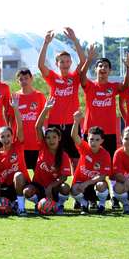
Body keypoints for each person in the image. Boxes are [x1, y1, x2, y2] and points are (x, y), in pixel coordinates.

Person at [37, 28, 87, 166]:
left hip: (72, 124)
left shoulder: (74, 77)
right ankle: (57, 185)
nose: (65, 64)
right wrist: (46, 43)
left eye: (67, 61)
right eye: (62, 62)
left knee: (75, 158)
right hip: (54, 124)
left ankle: (75, 186)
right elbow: (41, 65)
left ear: (71, 63)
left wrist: (75, 40)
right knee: (55, 157)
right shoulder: (53, 78)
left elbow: (83, 60)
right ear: (57, 63)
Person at [80, 46, 129, 157]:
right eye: (100, 66)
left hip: (109, 132)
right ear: (96, 69)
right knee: (88, 161)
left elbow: (126, 86)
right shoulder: (90, 85)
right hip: (90, 132)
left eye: (106, 66)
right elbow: (82, 76)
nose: (103, 68)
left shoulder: (113, 86)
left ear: (110, 70)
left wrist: (128, 68)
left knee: (110, 164)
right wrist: (88, 60)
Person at [24, 98, 72, 213]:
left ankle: (59, 205)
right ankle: (38, 204)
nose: (51, 140)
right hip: (39, 186)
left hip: (53, 188)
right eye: (48, 137)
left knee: (65, 188)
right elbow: (37, 127)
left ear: (59, 138)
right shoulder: (43, 147)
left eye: (54, 137)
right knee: (27, 191)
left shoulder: (63, 155)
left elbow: (64, 177)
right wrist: (46, 109)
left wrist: (51, 186)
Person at [0, 99, 29, 215]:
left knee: (18, 175)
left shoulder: (18, 146)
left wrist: (15, 108)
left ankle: (21, 207)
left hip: (22, 184)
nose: (6, 139)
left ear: (12, 136)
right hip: (7, 188)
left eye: (8, 136)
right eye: (3, 137)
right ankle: (14, 203)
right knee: (4, 208)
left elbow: (20, 126)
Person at [69, 111, 111, 214]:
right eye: (91, 139)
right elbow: (74, 136)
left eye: (97, 140)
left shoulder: (105, 154)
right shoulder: (84, 148)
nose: (93, 142)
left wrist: (86, 183)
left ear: (102, 141)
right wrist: (76, 122)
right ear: (87, 139)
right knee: (74, 189)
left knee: (101, 184)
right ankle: (84, 204)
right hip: (81, 183)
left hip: (94, 184)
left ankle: (101, 205)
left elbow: (102, 176)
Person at [12, 68, 47, 169]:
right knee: (20, 172)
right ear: (18, 81)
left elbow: (44, 119)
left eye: (26, 78)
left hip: (36, 141)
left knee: (38, 172)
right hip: (20, 142)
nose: (24, 81)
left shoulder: (39, 96)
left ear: (31, 79)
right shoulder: (15, 97)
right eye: (21, 79)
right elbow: (10, 118)